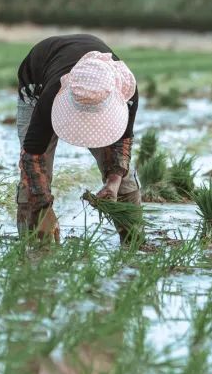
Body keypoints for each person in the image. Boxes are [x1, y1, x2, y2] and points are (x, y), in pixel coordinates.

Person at [16, 34, 140, 241]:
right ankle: (35, 241)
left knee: (123, 176)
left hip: (96, 83)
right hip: (38, 83)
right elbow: (32, 156)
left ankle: (133, 239)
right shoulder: (49, 98)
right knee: (34, 176)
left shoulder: (125, 90)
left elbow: (122, 144)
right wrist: (43, 206)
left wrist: (113, 182)